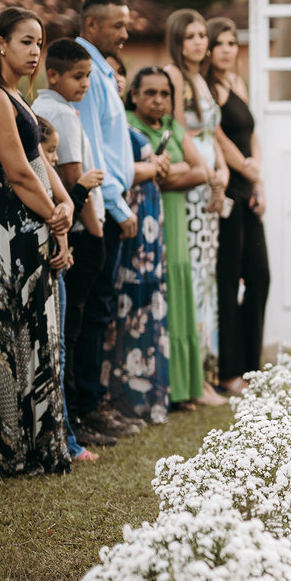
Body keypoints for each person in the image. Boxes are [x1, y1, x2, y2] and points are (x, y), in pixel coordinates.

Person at [0, 7, 73, 476]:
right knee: (15, 332)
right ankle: (15, 449)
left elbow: (41, 161)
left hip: (33, 221)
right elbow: (17, 172)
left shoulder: (22, 98)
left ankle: (44, 443)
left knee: (41, 331)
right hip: (5, 226)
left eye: (39, 42)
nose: (36, 51)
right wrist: (54, 217)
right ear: (0, 43)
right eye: (26, 41)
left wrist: (66, 206)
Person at [33, 39, 113, 448]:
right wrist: (96, 232)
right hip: (78, 230)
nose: (84, 84)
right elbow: (70, 177)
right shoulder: (60, 113)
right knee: (76, 328)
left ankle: (77, 413)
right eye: (78, 77)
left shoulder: (42, 107)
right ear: (55, 75)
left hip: (68, 228)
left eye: (88, 77)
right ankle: (77, 415)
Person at [74, 0, 144, 438]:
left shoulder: (103, 71)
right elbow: (91, 149)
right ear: (92, 25)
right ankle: (86, 407)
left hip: (112, 202)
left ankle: (95, 401)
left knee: (100, 310)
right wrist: (117, 206)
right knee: (92, 311)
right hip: (100, 208)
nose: (125, 32)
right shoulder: (86, 74)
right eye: (117, 25)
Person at [125, 66, 208, 409]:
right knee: (154, 295)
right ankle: (160, 386)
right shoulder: (129, 124)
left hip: (173, 215)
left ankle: (184, 387)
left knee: (178, 290)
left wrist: (161, 174)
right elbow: (130, 172)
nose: (158, 100)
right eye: (150, 93)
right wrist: (176, 171)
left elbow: (201, 170)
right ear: (134, 95)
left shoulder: (173, 126)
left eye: (164, 94)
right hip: (144, 221)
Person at [164, 9, 227, 407]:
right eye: (190, 36)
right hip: (190, 184)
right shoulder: (173, 77)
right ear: (177, 40)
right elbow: (177, 129)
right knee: (194, 279)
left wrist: (220, 170)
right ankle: (192, 379)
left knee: (208, 279)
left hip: (209, 183)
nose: (200, 42)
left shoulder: (202, 79)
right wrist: (205, 171)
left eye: (203, 35)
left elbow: (210, 133)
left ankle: (208, 373)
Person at [106, 58, 172, 424]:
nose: (113, 78)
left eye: (118, 72)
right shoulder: (117, 123)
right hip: (127, 217)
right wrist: (153, 168)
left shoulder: (119, 120)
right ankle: (122, 396)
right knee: (124, 304)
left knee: (149, 301)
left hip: (149, 219)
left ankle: (150, 396)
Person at [206, 16, 270, 394]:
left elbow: (252, 133)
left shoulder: (237, 83)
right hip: (228, 191)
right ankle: (229, 372)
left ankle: (250, 366)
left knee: (260, 276)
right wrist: (242, 165)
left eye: (233, 43)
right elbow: (216, 135)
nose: (228, 50)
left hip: (249, 190)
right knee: (228, 281)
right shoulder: (208, 90)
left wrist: (257, 174)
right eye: (221, 43)